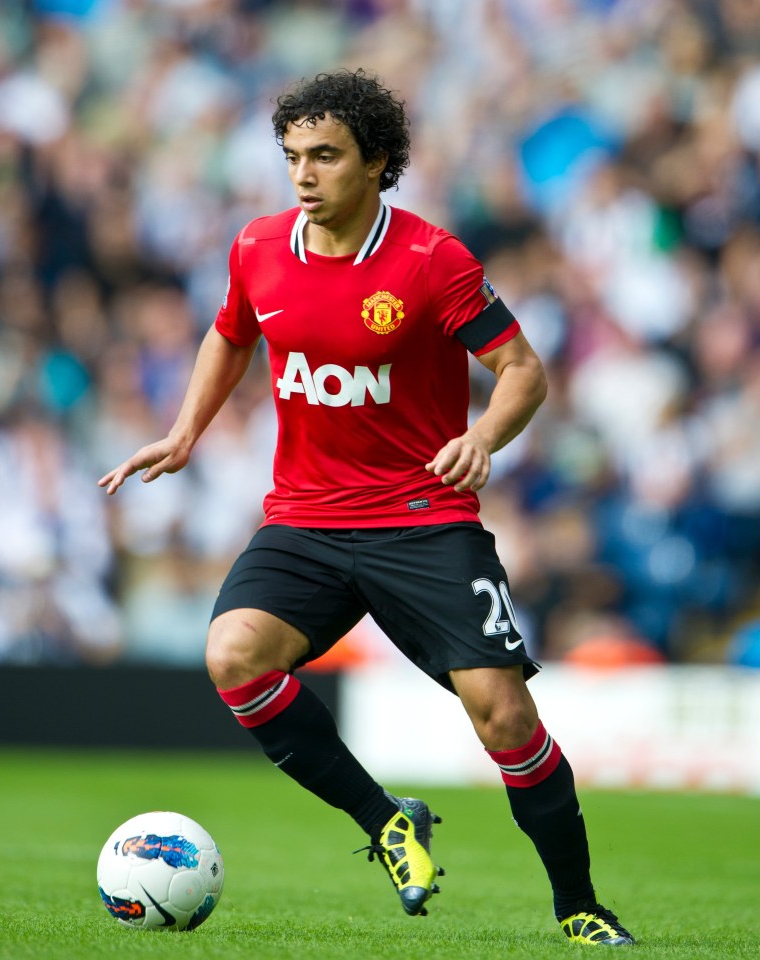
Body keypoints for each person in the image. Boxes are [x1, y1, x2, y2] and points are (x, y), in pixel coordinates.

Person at [99, 68, 635, 947]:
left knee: (505, 716)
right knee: (233, 657)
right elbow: (232, 331)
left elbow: (524, 372)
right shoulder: (259, 247)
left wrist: (483, 439)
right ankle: (386, 822)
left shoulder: (433, 260)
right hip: (306, 517)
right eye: (292, 157)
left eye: (325, 157)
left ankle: (578, 905)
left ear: (377, 162)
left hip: (423, 516)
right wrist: (187, 429)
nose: (303, 176)